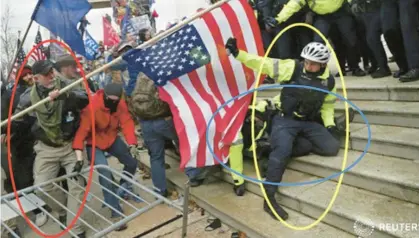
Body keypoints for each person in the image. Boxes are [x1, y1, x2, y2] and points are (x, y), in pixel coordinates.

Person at [226, 38, 341, 220]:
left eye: (314, 64)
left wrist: (330, 125)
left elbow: (327, 105)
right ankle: (269, 197)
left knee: (331, 148)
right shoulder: (293, 68)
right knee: (283, 150)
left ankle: (270, 152)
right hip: (284, 119)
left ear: (323, 64)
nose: (308, 66)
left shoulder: (329, 82)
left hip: (308, 122)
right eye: (307, 62)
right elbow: (264, 63)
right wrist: (238, 53)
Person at [10, 60, 89, 236]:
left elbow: (85, 98)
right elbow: (17, 120)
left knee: (77, 185)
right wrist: (5, 128)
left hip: (70, 146)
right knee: (42, 187)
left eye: (52, 72)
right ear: (36, 78)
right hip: (46, 148)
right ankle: (63, 211)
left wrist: (66, 96)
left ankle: (76, 228)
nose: (52, 76)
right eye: (47, 74)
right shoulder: (27, 97)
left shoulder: (67, 86)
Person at [72, 83, 140, 231]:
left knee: (132, 162)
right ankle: (115, 210)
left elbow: (127, 122)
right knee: (105, 173)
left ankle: (123, 187)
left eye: (117, 99)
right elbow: (82, 132)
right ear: (105, 96)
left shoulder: (120, 104)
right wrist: (79, 156)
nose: (113, 102)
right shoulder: (92, 107)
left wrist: (132, 143)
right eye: (111, 99)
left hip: (112, 137)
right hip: (94, 142)